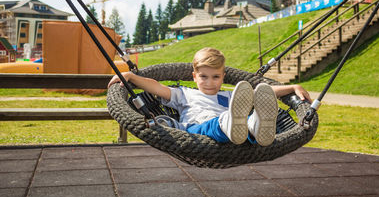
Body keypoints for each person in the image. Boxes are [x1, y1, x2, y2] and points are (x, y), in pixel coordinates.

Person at [108, 47, 312, 146]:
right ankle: (240, 124)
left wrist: (292, 87)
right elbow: (157, 87)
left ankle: (256, 125)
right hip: (197, 132)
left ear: (223, 77)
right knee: (223, 121)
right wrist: (131, 76)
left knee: (246, 110)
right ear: (194, 77)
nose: (210, 82)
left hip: (235, 137)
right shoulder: (184, 94)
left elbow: (262, 93)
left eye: (216, 77)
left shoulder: (230, 96)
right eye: (204, 77)